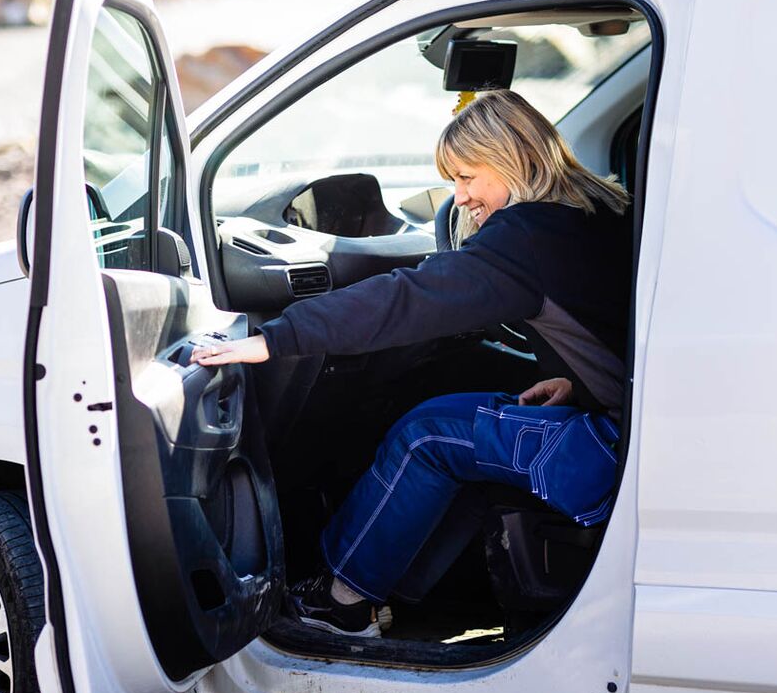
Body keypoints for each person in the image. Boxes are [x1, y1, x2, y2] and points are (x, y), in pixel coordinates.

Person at [192, 90, 632, 637]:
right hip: (636, 430)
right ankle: (398, 600)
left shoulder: (524, 239)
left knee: (426, 435)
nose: (460, 197)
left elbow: (408, 300)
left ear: (513, 159)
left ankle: (343, 604)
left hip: (613, 450)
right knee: (454, 424)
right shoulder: (601, 211)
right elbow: (622, 328)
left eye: (467, 177)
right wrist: (578, 382)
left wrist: (277, 339)